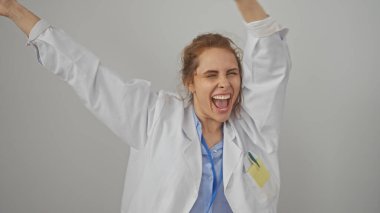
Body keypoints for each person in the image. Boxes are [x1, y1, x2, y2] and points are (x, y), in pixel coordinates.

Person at [0, 0, 291, 212]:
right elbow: (87, 73)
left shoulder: (254, 126)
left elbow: (268, 52)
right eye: (211, 75)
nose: (224, 84)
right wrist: (14, 10)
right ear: (190, 82)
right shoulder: (154, 116)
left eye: (232, 73)